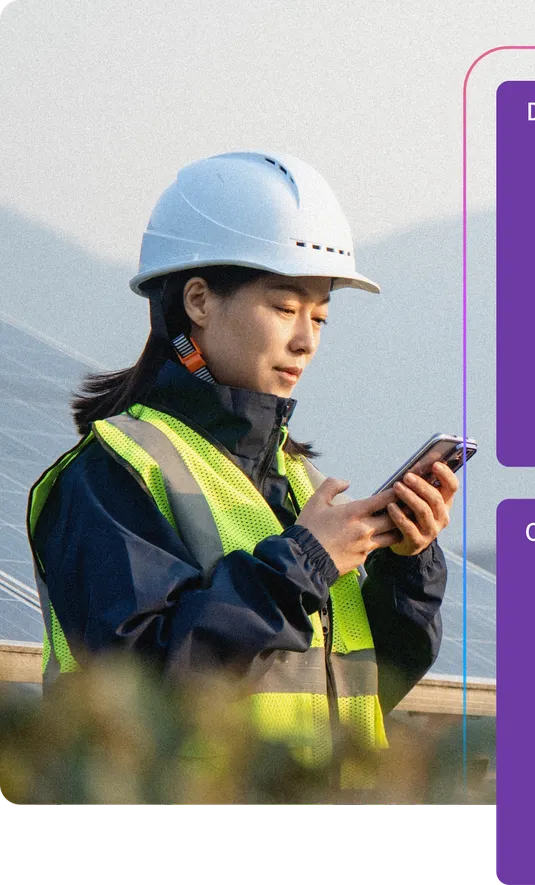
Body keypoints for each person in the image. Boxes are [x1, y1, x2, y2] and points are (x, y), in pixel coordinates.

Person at [26, 151, 458, 787]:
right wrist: (302, 564)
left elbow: (360, 689)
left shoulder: (296, 485)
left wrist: (406, 565)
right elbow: (142, 690)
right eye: (285, 308)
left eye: (320, 316)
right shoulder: (113, 472)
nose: (306, 339)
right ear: (198, 300)